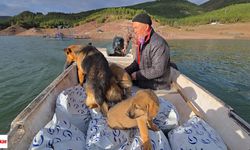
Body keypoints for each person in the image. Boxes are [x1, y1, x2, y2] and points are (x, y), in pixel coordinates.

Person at [125, 13, 171, 90]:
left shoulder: (159, 44)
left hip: (156, 85)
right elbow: (137, 62)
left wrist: (136, 75)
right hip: (145, 80)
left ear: (146, 27)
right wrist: (125, 71)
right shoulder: (141, 41)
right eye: (134, 28)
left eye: (136, 28)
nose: (134, 31)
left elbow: (158, 70)